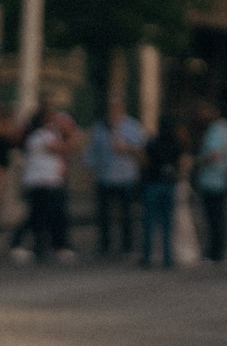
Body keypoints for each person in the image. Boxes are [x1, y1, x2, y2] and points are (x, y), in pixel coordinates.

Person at [13, 105, 77, 264]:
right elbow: (59, 148)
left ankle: (55, 246)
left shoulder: (51, 134)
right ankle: (20, 243)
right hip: (40, 183)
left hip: (52, 182)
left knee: (52, 216)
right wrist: (69, 136)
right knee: (37, 216)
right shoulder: (40, 136)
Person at [87, 94, 145, 257]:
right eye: (110, 109)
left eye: (116, 108)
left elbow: (142, 151)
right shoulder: (100, 127)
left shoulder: (132, 126)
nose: (113, 112)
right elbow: (92, 151)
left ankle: (127, 246)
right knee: (103, 214)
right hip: (104, 176)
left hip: (125, 177)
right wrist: (90, 171)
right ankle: (104, 245)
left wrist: (126, 148)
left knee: (126, 214)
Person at [194, 102, 227, 264]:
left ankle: (213, 252)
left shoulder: (214, 130)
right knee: (220, 218)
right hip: (223, 180)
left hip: (211, 180)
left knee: (212, 219)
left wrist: (199, 161)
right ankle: (219, 251)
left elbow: (214, 154)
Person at [138, 112, 185, 268]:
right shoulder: (176, 144)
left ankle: (147, 256)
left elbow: (144, 160)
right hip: (168, 184)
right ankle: (167, 257)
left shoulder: (153, 142)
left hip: (153, 183)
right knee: (167, 223)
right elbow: (181, 163)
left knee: (150, 222)